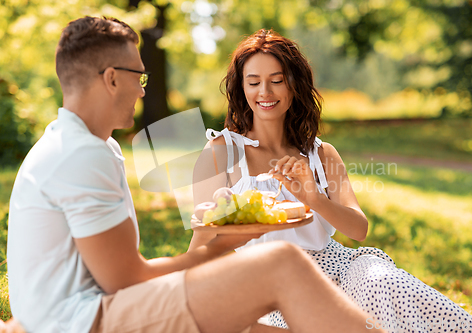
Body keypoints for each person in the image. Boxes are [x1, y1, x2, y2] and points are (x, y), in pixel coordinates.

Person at [6, 16, 387, 333]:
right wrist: (223, 246)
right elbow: (126, 280)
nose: (142, 93)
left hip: (86, 311)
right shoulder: (78, 156)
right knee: (281, 264)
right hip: (85, 321)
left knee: (266, 296)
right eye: (139, 78)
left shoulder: (94, 147)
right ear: (110, 79)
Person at [189, 29, 472, 332]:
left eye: (277, 80)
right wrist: (213, 220)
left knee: (383, 283)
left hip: (342, 266)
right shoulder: (220, 153)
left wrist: (314, 199)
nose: (264, 92)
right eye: (253, 82)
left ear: (295, 85)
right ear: (241, 88)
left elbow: (359, 229)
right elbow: (199, 251)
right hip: (276, 286)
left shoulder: (322, 154)